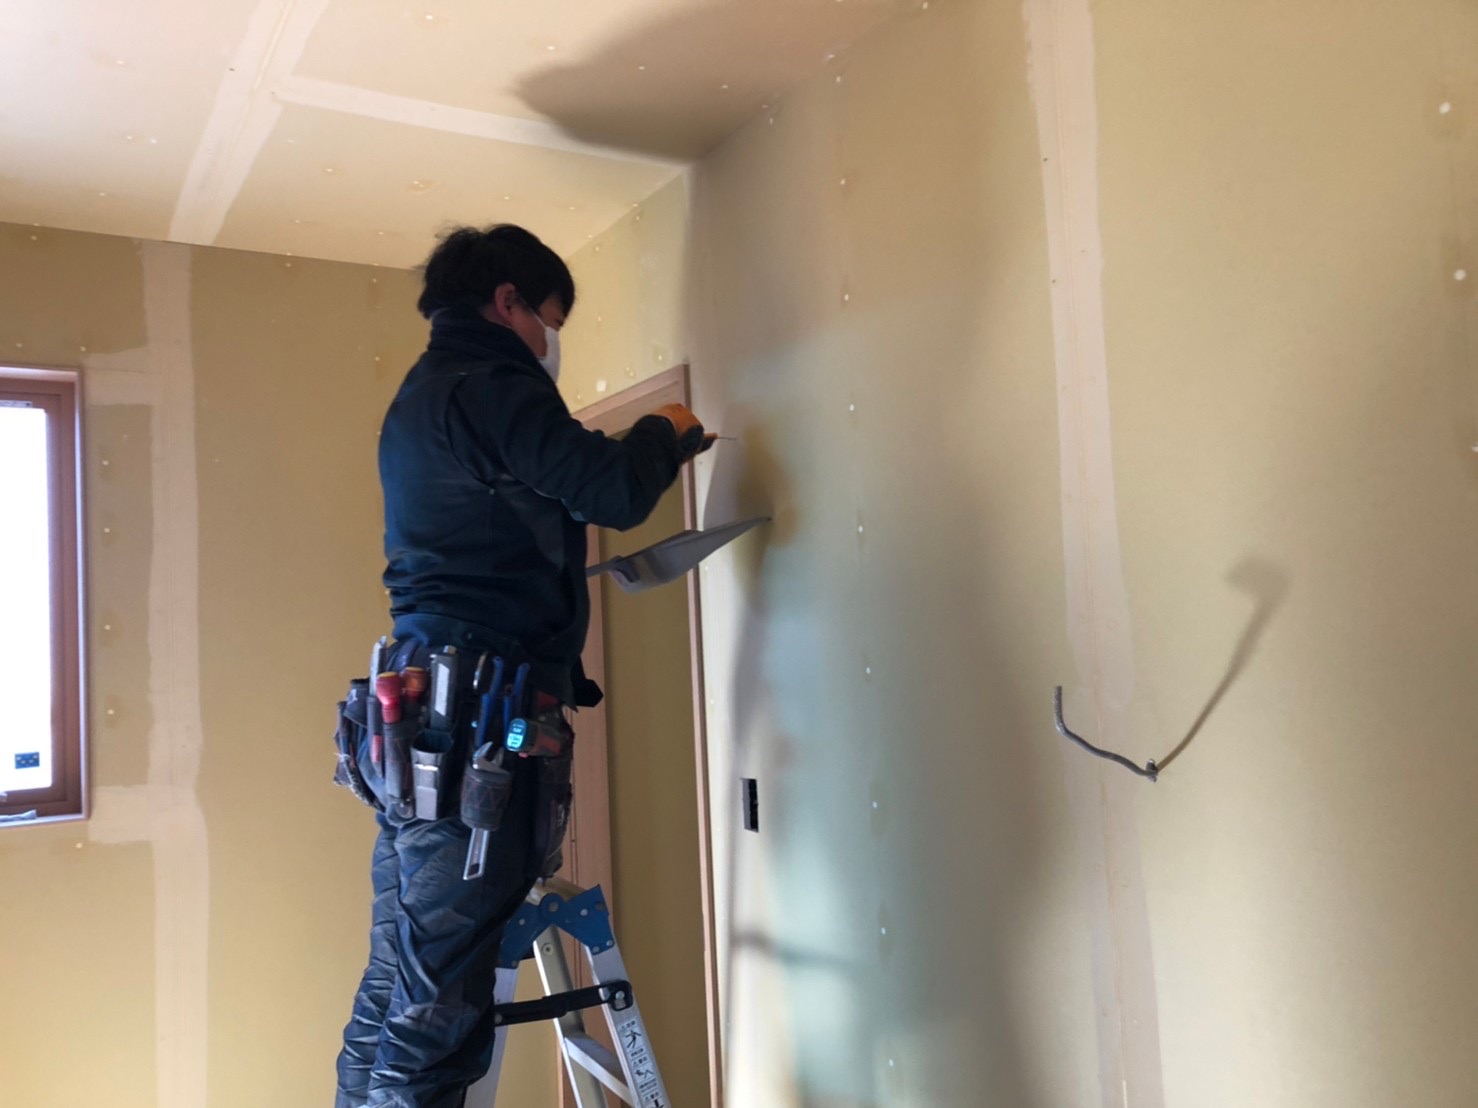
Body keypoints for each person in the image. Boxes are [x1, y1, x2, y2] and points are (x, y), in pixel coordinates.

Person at [333, 224, 708, 1107]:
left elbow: (513, 516)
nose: (551, 342)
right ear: (507, 303)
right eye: (550, 320)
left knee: (399, 983)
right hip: (476, 723)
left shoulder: (424, 395)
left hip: (427, 714)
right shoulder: (494, 385)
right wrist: (663, 430)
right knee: (438, 1009)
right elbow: (612, 489)